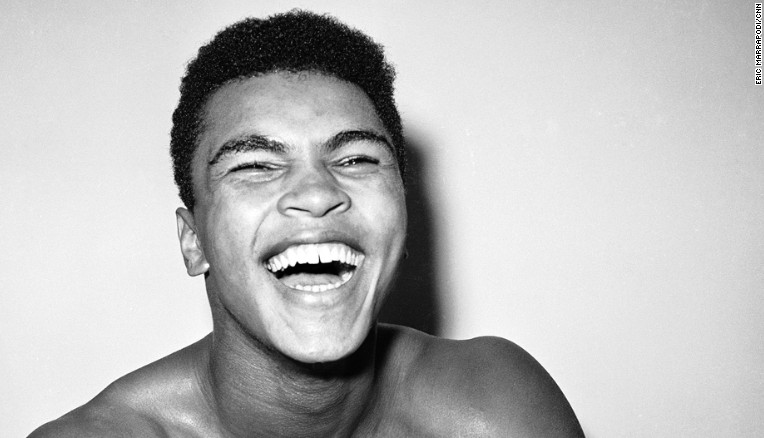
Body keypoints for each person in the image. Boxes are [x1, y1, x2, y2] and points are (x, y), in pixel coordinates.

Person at [29, 10, 583, 437]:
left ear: (404, 219)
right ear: (192, 240)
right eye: (255, 166)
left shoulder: (493, 409)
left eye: (356, 159)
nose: (317, 194)